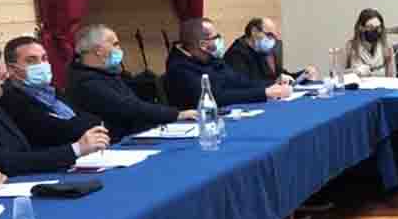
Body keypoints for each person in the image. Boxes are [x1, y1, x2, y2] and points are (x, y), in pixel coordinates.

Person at [0, 44, 109, 179]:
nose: (9, 79)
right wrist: (75, 149)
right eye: (2, 78)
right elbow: (8, 163)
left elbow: (26, 149)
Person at [67, 25, 198, 142]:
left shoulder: (107, 74)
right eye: (115, 44)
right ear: (98, 50)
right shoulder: (85, 82)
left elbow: (135, 104)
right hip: (113, 146)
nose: (119, 49)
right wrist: (176, 115)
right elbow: (129, 108)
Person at [0, 35, 102, 149]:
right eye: (31, 61)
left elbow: (86, 116)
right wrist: (93, 125)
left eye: (44, 58)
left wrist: (93, 124)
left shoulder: (50, 90)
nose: (41, 65)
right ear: (12, 69)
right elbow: (59, 131)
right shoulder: (11, 99)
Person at [164, 18, 292, 109]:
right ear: (203, 45)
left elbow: (238, 81)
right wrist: (264, 93)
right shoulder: (179, 68)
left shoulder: (209, 59)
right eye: (216, 37)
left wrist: (272, 84)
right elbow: (217, 97)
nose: (220, 40)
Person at [223, 17, 308, 86]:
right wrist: (275, 82)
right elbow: (244, 84)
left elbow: (279, 75)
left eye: (274, 37)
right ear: (254, 31)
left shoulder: (261, 50)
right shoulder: (236, 53)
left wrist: (303, 75)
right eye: (269, 35)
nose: (273, 41)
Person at [343, 8, 395, 78]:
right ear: (361, 28)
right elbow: (340, 74)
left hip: (380, 84)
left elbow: (392, 77)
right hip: (358, 84)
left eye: (378, 27)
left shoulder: (386, 46)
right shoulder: (351, 46)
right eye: (371, 27)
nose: (375, 31)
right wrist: (355, 71)